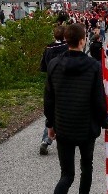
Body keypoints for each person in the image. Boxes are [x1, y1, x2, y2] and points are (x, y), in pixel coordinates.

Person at [44, 23, 108, 193]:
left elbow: (49, 98)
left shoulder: (54, 64)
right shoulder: (93, 66)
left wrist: (50, 124)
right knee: (86, 167)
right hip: (86, 127)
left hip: (63, 125)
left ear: (66, 40)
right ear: (82, 41)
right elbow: (98, 99)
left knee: (66, 174)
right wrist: (105, 122)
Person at [39, 25, 68, 155]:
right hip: (66, 82)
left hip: (51, 82)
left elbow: (43, 67)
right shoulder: (67, 47)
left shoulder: (48, 48)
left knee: (51, 110)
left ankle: (46, 139)